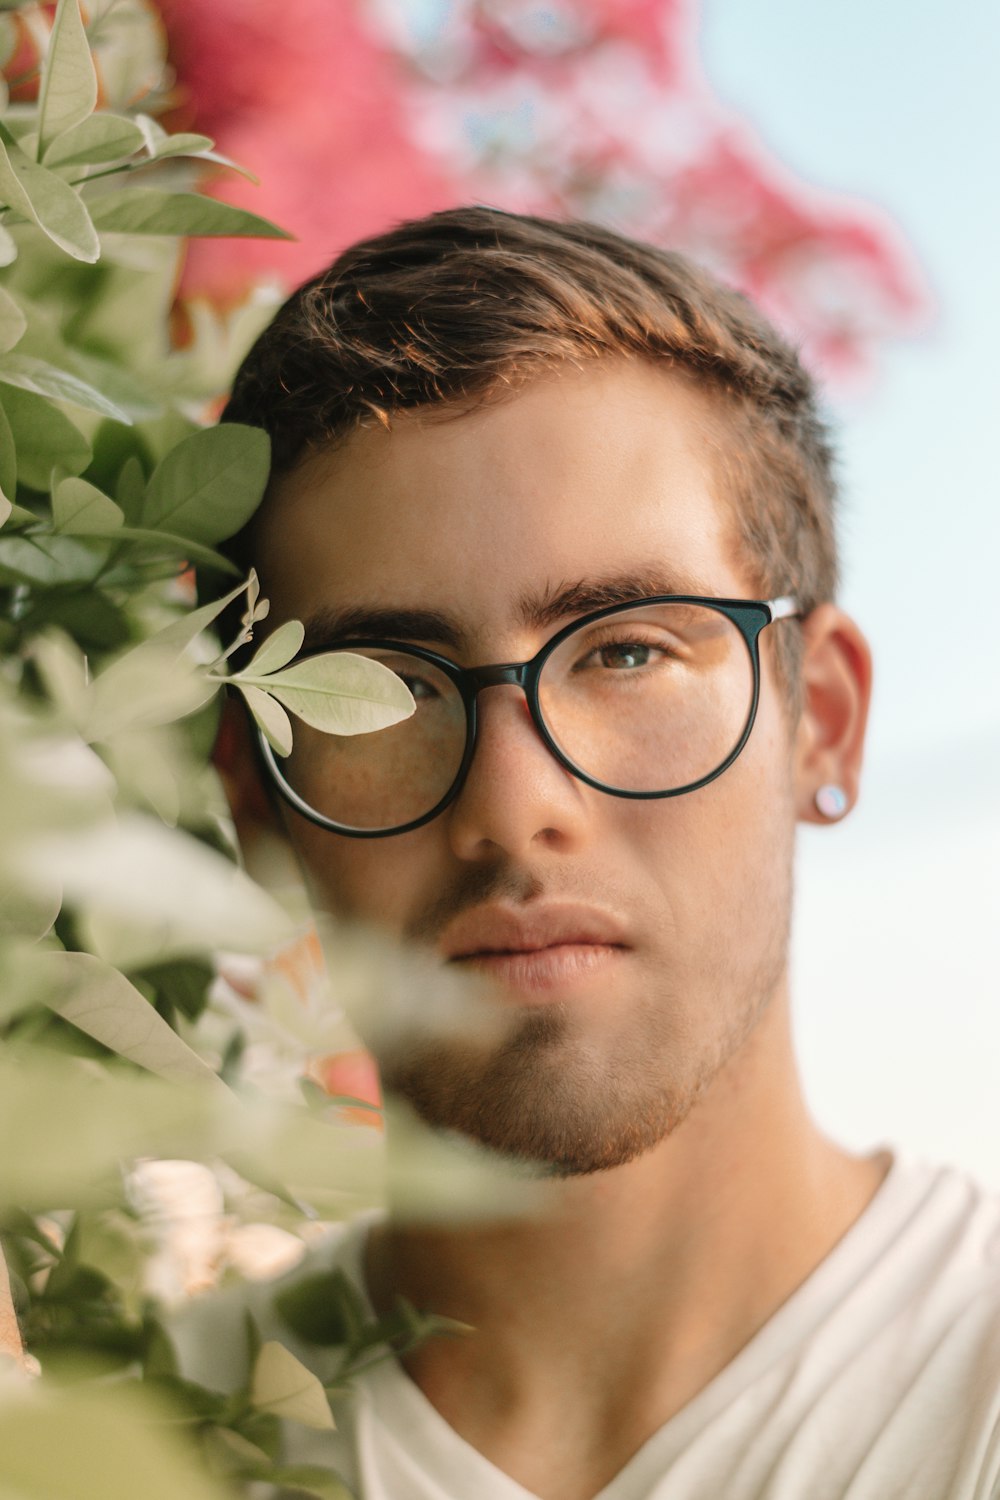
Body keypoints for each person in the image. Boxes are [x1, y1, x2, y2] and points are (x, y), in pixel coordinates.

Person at [205, 207, 1000, 1499]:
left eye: (628, 650)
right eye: (387, 686)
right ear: (253, 794)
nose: (516, 807)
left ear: (826, 723)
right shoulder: (113, 1445)